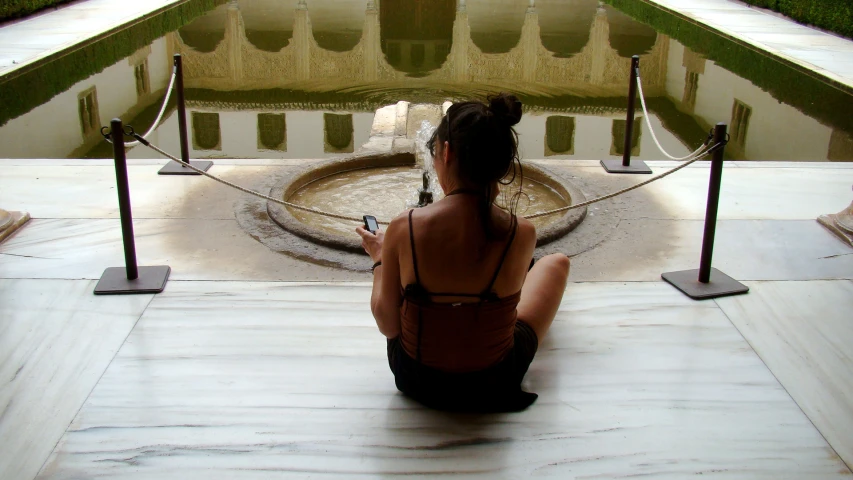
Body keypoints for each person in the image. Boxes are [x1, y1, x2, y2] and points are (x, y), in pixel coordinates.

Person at [356, 93, 570, 412]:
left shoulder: (406, 226)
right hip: (493, 381)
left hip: (417, 378)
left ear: (446, 151)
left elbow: (389, 326)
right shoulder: (521, 232)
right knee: (556, 263)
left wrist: (380, 260)